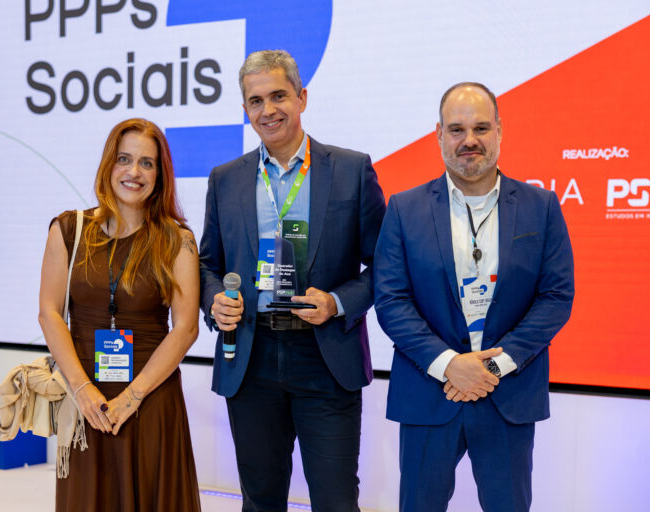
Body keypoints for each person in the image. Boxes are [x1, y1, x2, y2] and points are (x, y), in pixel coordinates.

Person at [199, 50, 386, 511]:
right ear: (245, 109)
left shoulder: (351, 170)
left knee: (336, 501)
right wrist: (215, 301)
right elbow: (207, 265)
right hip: (251, 356)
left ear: (302, 97)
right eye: (256, 101)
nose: (268, 110)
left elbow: (386, 266)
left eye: (279, 96)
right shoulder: (225, 179)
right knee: (260, 501)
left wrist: (337, 302)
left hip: (325, 356)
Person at [374, 83, 574, 512]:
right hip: (430, 393)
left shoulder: (541, 206)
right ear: (438, 135)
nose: (470, 140)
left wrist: (492, 367)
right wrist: (450, 364)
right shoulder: (404, 209)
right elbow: (391, 300)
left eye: (481, 128)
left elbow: (556, 297)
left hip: (508, 394)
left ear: (499, 130)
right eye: (457, 129)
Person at [38, 118, 202, 511]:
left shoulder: (177, 240)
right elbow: (49, 313)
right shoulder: (68, 229)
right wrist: (82, 390)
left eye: (147, 163)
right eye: (124, 159)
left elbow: (185, 329)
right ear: (108, 164)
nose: (134, 172)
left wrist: (132, 396)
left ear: (160, 175)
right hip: (85, 400)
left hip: (151, 400)